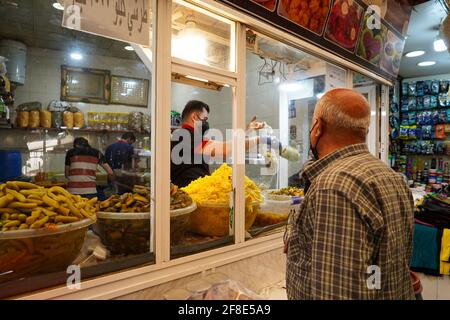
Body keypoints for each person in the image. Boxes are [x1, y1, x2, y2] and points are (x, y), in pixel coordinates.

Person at [285, 88, 415, 300]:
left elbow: (337, 292)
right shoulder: (391, 176)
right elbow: (377, 266)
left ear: (318, 127)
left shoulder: (334, 186)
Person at [170, 100, 266, 188]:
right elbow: (225, 150)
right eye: (205, 119)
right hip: (189, 195)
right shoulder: (186, 135)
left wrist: (248, 130)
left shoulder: (185, 136)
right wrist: (260, 139)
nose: (206, 123)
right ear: (194, 116)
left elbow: (225, 146)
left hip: (193, 192)